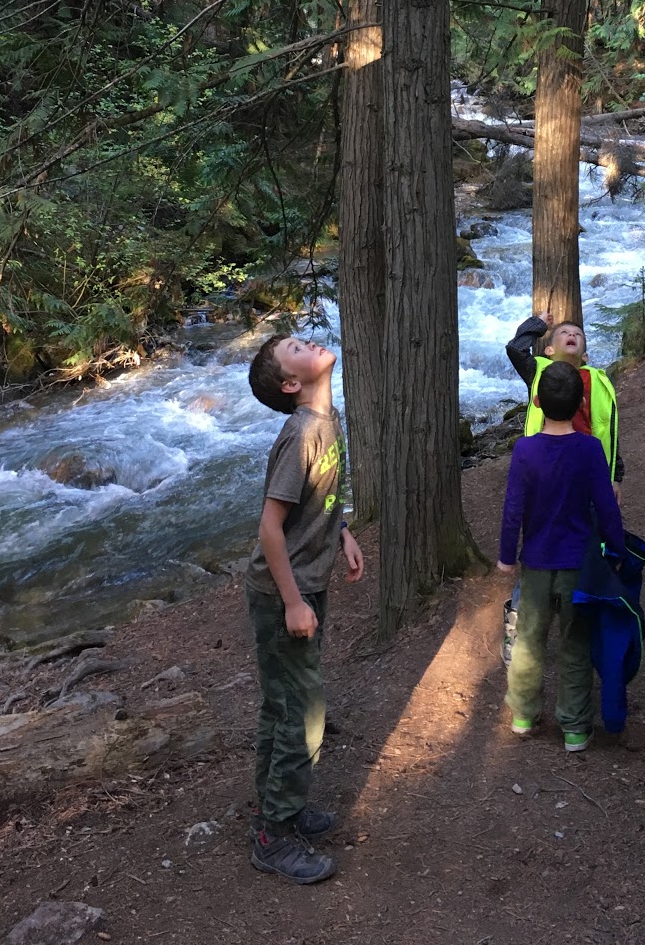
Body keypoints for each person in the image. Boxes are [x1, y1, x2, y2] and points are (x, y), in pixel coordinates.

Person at [244, 333, 364, 884]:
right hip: (283, 592)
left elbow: (317, 502)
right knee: (304, 714)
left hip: (304, 582)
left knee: (282, 704)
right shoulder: (301, 434)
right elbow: (270, 527)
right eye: (294, 347)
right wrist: (293, 602)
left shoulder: (326, 418)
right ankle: (273, 835)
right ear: (292, 383)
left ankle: (277, 805)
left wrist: (342, 534)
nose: (307, 341)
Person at [497, 360, 625, 751]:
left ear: (536, 400)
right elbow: (607, 507)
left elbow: (512, 507)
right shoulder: (589, 450)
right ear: (582, 402)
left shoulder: (525, 449)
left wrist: (505, 556)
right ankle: (574, 728)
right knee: (575, 644)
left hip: (535, 562)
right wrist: (617, 549)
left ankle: (522, 714)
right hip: (577, 565)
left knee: (529, 641)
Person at [506, 311, 624, 496]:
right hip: (547, 464)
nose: (572, 335)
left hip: (587, 463)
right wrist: (539, 323)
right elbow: (515, 348)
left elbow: (609, 428)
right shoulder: (538, 371)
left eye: (578, 335)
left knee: (591, 517)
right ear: (549, 351)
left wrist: (615, 477)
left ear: (585, 356)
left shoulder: (599, 380)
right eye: (564, 333)